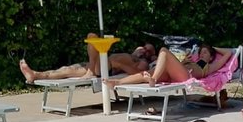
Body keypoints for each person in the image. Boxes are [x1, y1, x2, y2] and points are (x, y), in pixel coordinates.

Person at [19, 35, 156, 82]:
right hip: (98, 63)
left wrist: (119, 64)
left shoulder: (142, 63)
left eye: (148, 51)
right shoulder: (132, 54)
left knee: (92, 37)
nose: (144, 50)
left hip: (105, 68)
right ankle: (35, 75)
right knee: (65, 70)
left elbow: (137, 73)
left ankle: (91, 71)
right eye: (144, 47)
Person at [105, 43, 232, 88]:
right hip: (175, 75)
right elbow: (175, 67)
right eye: (201, 52)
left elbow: (229, 53)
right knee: (146, 73)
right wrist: (184, 61)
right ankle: (118, 82)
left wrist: (212, 47)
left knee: (164, 51)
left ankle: (153, 79)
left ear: (211, 57)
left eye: (205, 53)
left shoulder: (210, 66)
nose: (202, 54)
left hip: (185, 76)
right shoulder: (193, 61)